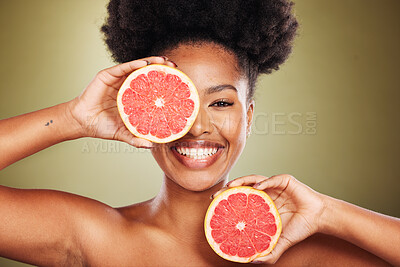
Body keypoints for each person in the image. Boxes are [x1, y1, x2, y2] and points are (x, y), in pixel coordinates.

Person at [0, 0, 399, 266]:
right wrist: (74, 118)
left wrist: (329, 212)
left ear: (250, 117)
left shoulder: (298, 252)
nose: (197, 126)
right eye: (179, 103)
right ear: (142, 111)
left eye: (221, 102)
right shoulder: (95, 237)